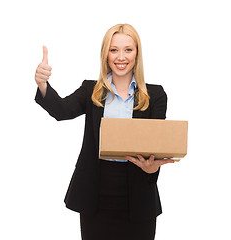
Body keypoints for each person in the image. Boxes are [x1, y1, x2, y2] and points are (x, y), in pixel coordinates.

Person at [34, 23, 174, 240]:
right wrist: (42, 84)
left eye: (128, 49)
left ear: (137, 54)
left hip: (138, 196)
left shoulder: (155, 95)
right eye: (114, 49)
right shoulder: (91, 91)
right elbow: (61, 110)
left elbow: (156, 145)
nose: (121, 57)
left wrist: (151, 167)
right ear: (105, 54)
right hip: (95, 195)